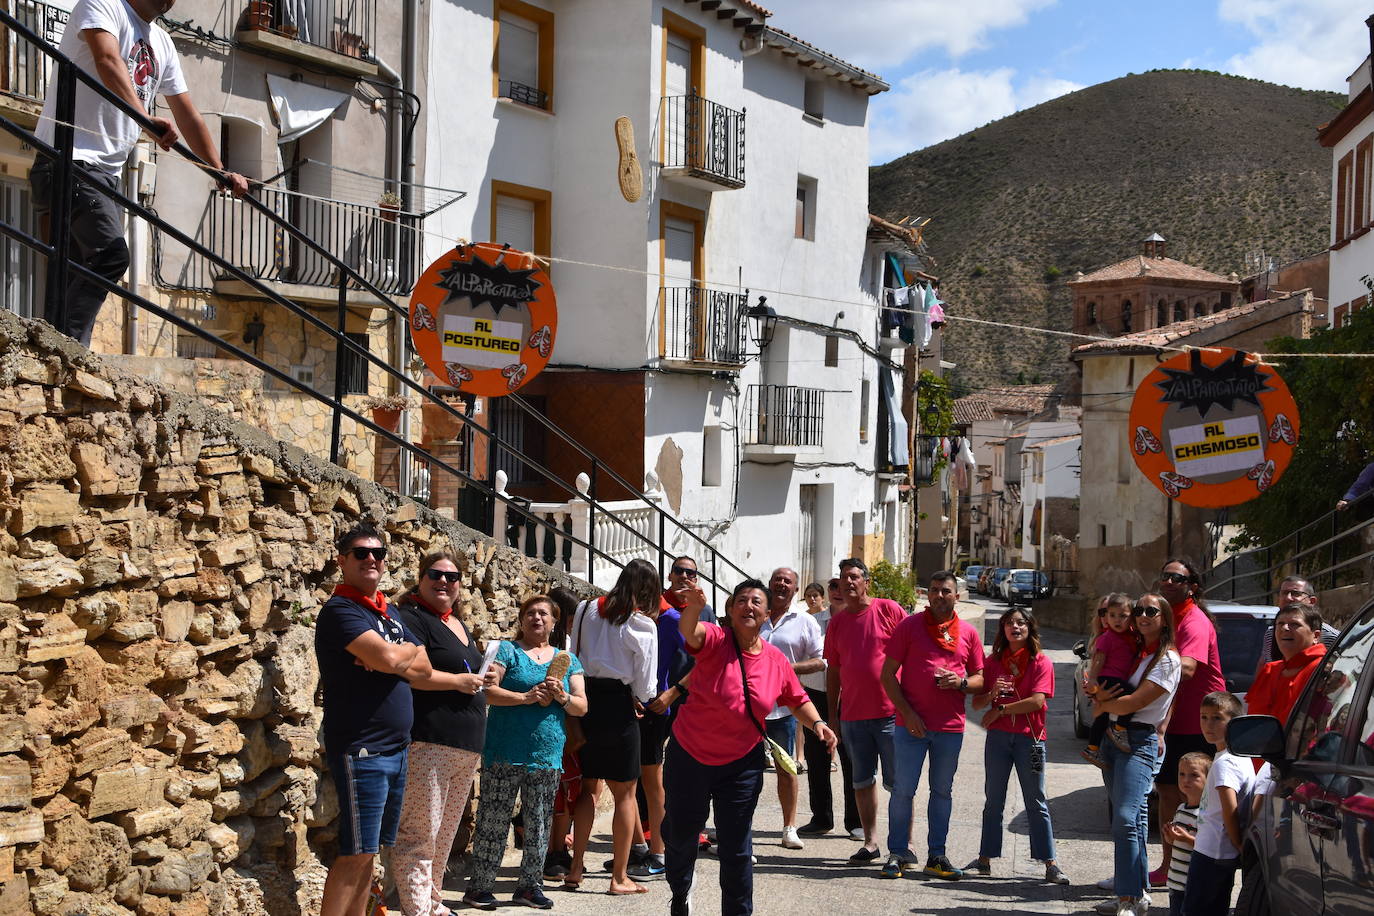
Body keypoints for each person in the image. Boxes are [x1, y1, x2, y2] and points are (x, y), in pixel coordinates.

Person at [32, 0, 248, 347]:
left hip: (105, 173)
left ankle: (51, 349)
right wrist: (145, 120)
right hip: (69, 157)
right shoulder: (102, 5)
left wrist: (220, 172)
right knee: (111, 255)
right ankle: (65, 348)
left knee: (72, 268)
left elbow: (187, 113)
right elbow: (107, 60)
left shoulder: (162, 42)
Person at [662, 578, 838, 916]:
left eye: (757, 602)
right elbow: (690, 632)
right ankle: (681, 890)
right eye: (741, 600)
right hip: (690, 757)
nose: (749, 606)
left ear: (767, 613)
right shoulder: (715, 639)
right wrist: (696, 608)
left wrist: (817, 724)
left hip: (741, 765)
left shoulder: (775, 660)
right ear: (730, 610)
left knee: (736, 847)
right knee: (681, 837)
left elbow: (797, 698)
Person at [314, 525, 432, 916]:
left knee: (370, 854)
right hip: (363, 748)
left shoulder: (388, 611)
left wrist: (399, 654)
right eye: (361, 553)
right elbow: (395, 661)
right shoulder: (341, 610)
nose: (371, 559)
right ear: (341, 561)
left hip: (395, 749)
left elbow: (422, 670)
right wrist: (398, 655)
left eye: (378, 554)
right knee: (355, 852)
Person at [463, 596, 587, 911]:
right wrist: (526, 697)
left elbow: (582, 705)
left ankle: (530, 887)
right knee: (493, 819)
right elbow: (489, 691)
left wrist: (561, 696)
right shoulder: (508, 651)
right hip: (504, 750)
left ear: (555, 622)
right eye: (529, 613)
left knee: (539, 823)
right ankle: (479, 888)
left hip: (545, 754)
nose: (536, 618)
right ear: (521, 620)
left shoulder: (567, 659)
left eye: (543, 613)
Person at [392, 551, 488, 916]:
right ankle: (416, 909)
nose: (444, 582)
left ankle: (433, 902)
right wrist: (459, 681)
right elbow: (415, 673)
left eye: (452, 577)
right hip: (430, 740)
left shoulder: (457, 624)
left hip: (465, 745)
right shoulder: (411, 618)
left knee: (444, 834)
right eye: (436, 574)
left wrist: (484, 678)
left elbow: (470, 677)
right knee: (419, 833)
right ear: (421, 579)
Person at [878, 570, 984, 880]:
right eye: (934, 590)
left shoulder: (968, 633)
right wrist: (907, 714)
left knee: (942, 792)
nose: (939, 595)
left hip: (949, 727)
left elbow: (980, 679)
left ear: (957, 596)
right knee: (903, 791)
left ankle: (937, 855)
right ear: (927, 594)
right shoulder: (909, 627)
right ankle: (898, 852)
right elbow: (887, 675)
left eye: (946, 591)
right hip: (910, 726)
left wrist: (961, 682)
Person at [567, 559, 659, 895]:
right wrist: (637, 696)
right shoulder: (643, 625)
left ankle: (575, 867)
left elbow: (572, 653)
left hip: (586, 699)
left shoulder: (584, 608)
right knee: (625, 793)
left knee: (589, 788)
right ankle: (618, 877)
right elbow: (647, 687)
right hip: (619, 704)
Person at [1091, 592, 1181, 916]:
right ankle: (1136, 894)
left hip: (1138, 742)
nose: (1143, 615)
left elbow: (1133, 703)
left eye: (1151, 611)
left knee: (1126, 818)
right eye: (1139, 610)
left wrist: (1101, 704)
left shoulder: (1168, 660)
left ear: (1165, 619)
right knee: (1134, 819)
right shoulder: (1141, 654)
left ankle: (1128, 898)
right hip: (1113, 741)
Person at [966, 606, 1070, 885]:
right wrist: (992, 694)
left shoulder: (1040, 662)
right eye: (1010, 623)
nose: (1016, 627)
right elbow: (976, 704)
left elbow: (1038, 701)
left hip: (1031, 739)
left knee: (1036, 800)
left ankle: (1050, 863)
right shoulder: (993, 662)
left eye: (1021, 622)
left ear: (1029, 628)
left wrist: (1001, 710)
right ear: (1003, 630)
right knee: (993, 799)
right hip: (998, 739)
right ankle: (985, 859)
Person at [823, 558, 907, 864]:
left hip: (891, 714)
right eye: (844, 578)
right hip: (853, 716)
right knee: (862, 781)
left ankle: (902, 846)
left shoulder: (889, 610)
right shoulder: (838, 623)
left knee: (900, 783)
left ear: (866, 582)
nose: (848, 583)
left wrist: (910, 707)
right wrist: (833, 715)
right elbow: (833, 670)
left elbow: (911, 655)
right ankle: (871, 842)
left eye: (854, 577)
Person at [1151, 558, 1224, 888]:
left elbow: (1190, 668)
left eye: (1176, 578)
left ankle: (1195, 866)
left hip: (1199, 723)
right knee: (1168, 792)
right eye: (1164, 575)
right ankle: (1170, 866)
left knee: (1197, 796)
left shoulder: (1192, 620)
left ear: (1192, 586)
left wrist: (1142, 685)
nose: (1167, 581)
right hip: (1176, 721)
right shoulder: (1169, 618)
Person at [633, 556, 707, 879]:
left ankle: (662, 850)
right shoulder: (658, 609)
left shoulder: (675, 616)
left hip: (668, 703)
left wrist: (674, 692)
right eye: (680, 571)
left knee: (662, 777)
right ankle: (642, 846)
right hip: (648, 703)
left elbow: (706, 660)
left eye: (691, 573)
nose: (685, 577)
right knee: (640, 779)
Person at [758, 567, 825, 851]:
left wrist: (787, 669)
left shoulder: (805, 621)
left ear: (795, 589)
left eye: (788, 581)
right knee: (739, 772)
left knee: (787, 771)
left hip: (783, 711)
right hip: (747, 708)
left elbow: (821, 661)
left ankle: (789, 828)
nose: (782, 584)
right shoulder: (755, 613)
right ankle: (736, 827)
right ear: (770, 585)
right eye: (777, 580)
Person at [797, 579, 860, 839]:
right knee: (816, 758)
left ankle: (855, 821)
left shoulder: (855, 620)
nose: (837, 592)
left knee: (851, 759)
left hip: (849, 697)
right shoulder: (810, 621)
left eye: (841, 588)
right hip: (815, 695)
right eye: (832, 587)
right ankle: (821, 817)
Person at [1181, 692, 1251, 916]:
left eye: (1217, 718)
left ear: (1234, 722)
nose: (1208, 725)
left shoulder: (1225, 763)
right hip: (1218, 852)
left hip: (1212, 852)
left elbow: (1230, 810)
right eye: (1204, 717)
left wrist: (1238, 843)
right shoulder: (1240, 757)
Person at [1082, 593, 1139, 768]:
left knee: (1102, 717)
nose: (1116, 620)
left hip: (1113, 679)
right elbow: (1098, 660)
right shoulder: (1107, 637)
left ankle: (1092, 748)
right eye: (1111, 615)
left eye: (1122, 616)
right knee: (1132, 695)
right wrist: (1093, 679)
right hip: (1108, 678)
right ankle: (1120, 729)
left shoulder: (1130, 638)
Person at [1247, 602, 1328, 725]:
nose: (1284, 628)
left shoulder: (1324, 669)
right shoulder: (1269, 670)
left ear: (1316, 636)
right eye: (1280, 624)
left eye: (1294, 624)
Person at [1163, 753, 1208, 916]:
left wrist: (1185, 838)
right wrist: (1170, 836)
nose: (1185, 780)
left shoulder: (1205, 813)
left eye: (1194, 775)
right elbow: (1173, 842)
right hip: (1176, 879)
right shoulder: (1181, 808)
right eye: (1181, 774)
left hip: (1194, 882)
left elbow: (1206, 846)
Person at [1257, 576, 1339, 664]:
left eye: (1295, 593)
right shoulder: (1271, 634)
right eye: (1284, 593)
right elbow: (1263, 667)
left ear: (1311, 601)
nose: (1288, 598)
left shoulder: (1333, 638)